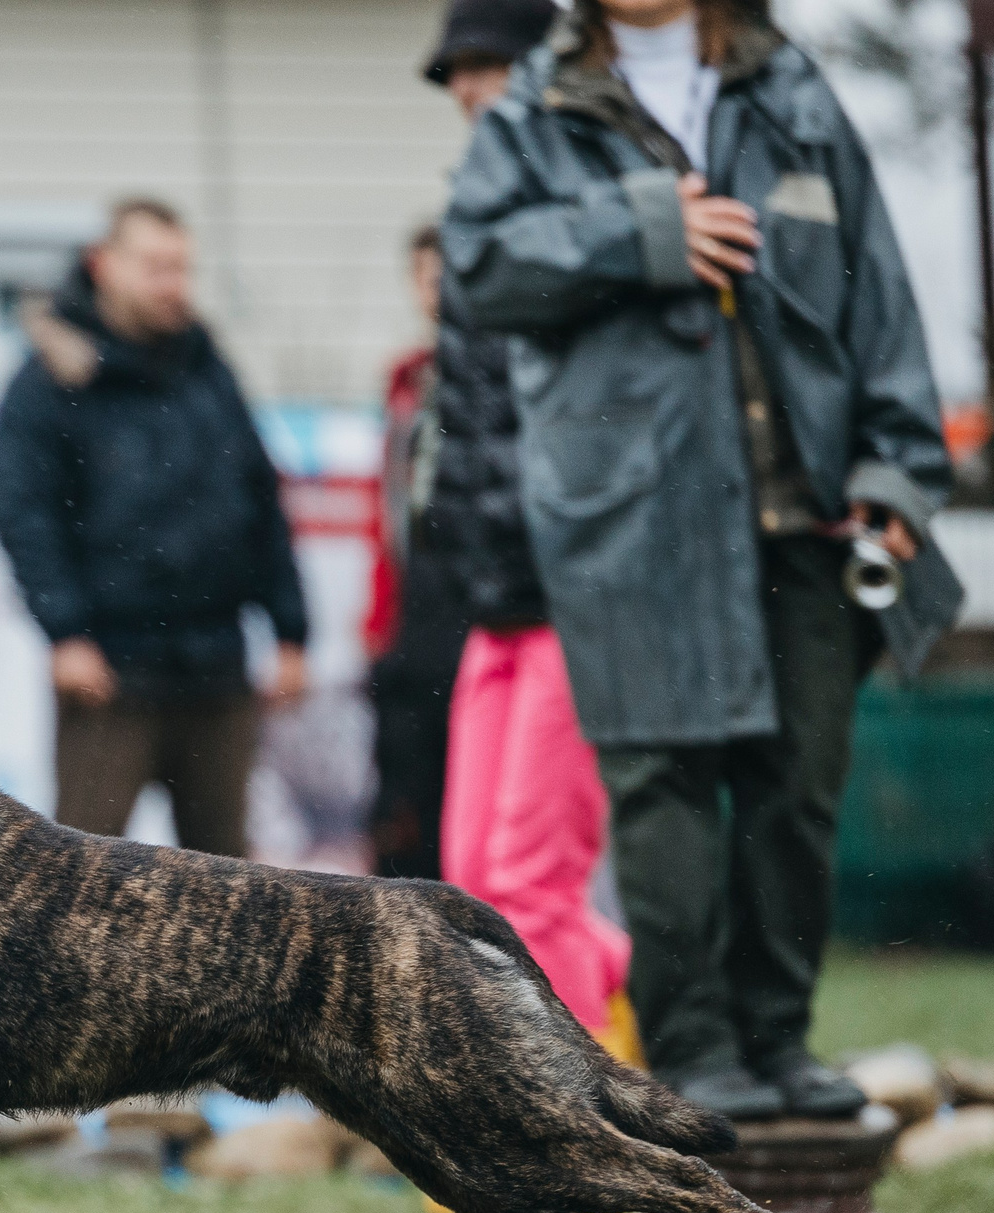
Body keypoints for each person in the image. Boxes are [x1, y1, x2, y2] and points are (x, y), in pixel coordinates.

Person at [442, 0, 961, 1120]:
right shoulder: (531, 108)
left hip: (807, 521)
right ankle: (691, 1057)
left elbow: (878, 294)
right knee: (662, 793)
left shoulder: (795, 94)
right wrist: (633, 231)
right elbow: (477, 267)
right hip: (628, 520)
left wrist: (898, 472)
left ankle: (779, 1042)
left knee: (794, 795)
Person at [418, 0, 638, 1059]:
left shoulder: (579, 206)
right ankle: (643, 1006)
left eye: (483, 66)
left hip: (573, 590)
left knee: (531, 876)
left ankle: (581, 1107)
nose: (465, 90)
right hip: (493, 590)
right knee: (469, 875)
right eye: (455, 72)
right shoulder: (479, 206)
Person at [0, 199, 309, 859]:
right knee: (78, 878)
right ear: (103, 265)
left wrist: (290, 629)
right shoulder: (48, 379)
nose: (173, 285)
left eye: (182, 268)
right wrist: (66, 632)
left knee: (230, 891)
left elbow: (259, 497)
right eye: (156, 267)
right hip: (110, 669)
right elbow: (25, 512)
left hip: (217, 666)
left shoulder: (207, 368)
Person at [361, 226, 464, 882]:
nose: (437, 292)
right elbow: (393, 519)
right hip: (413, 626)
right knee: (405, 808)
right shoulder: (409, 383)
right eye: (427, 276)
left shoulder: (510, 375)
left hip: (477, 617)